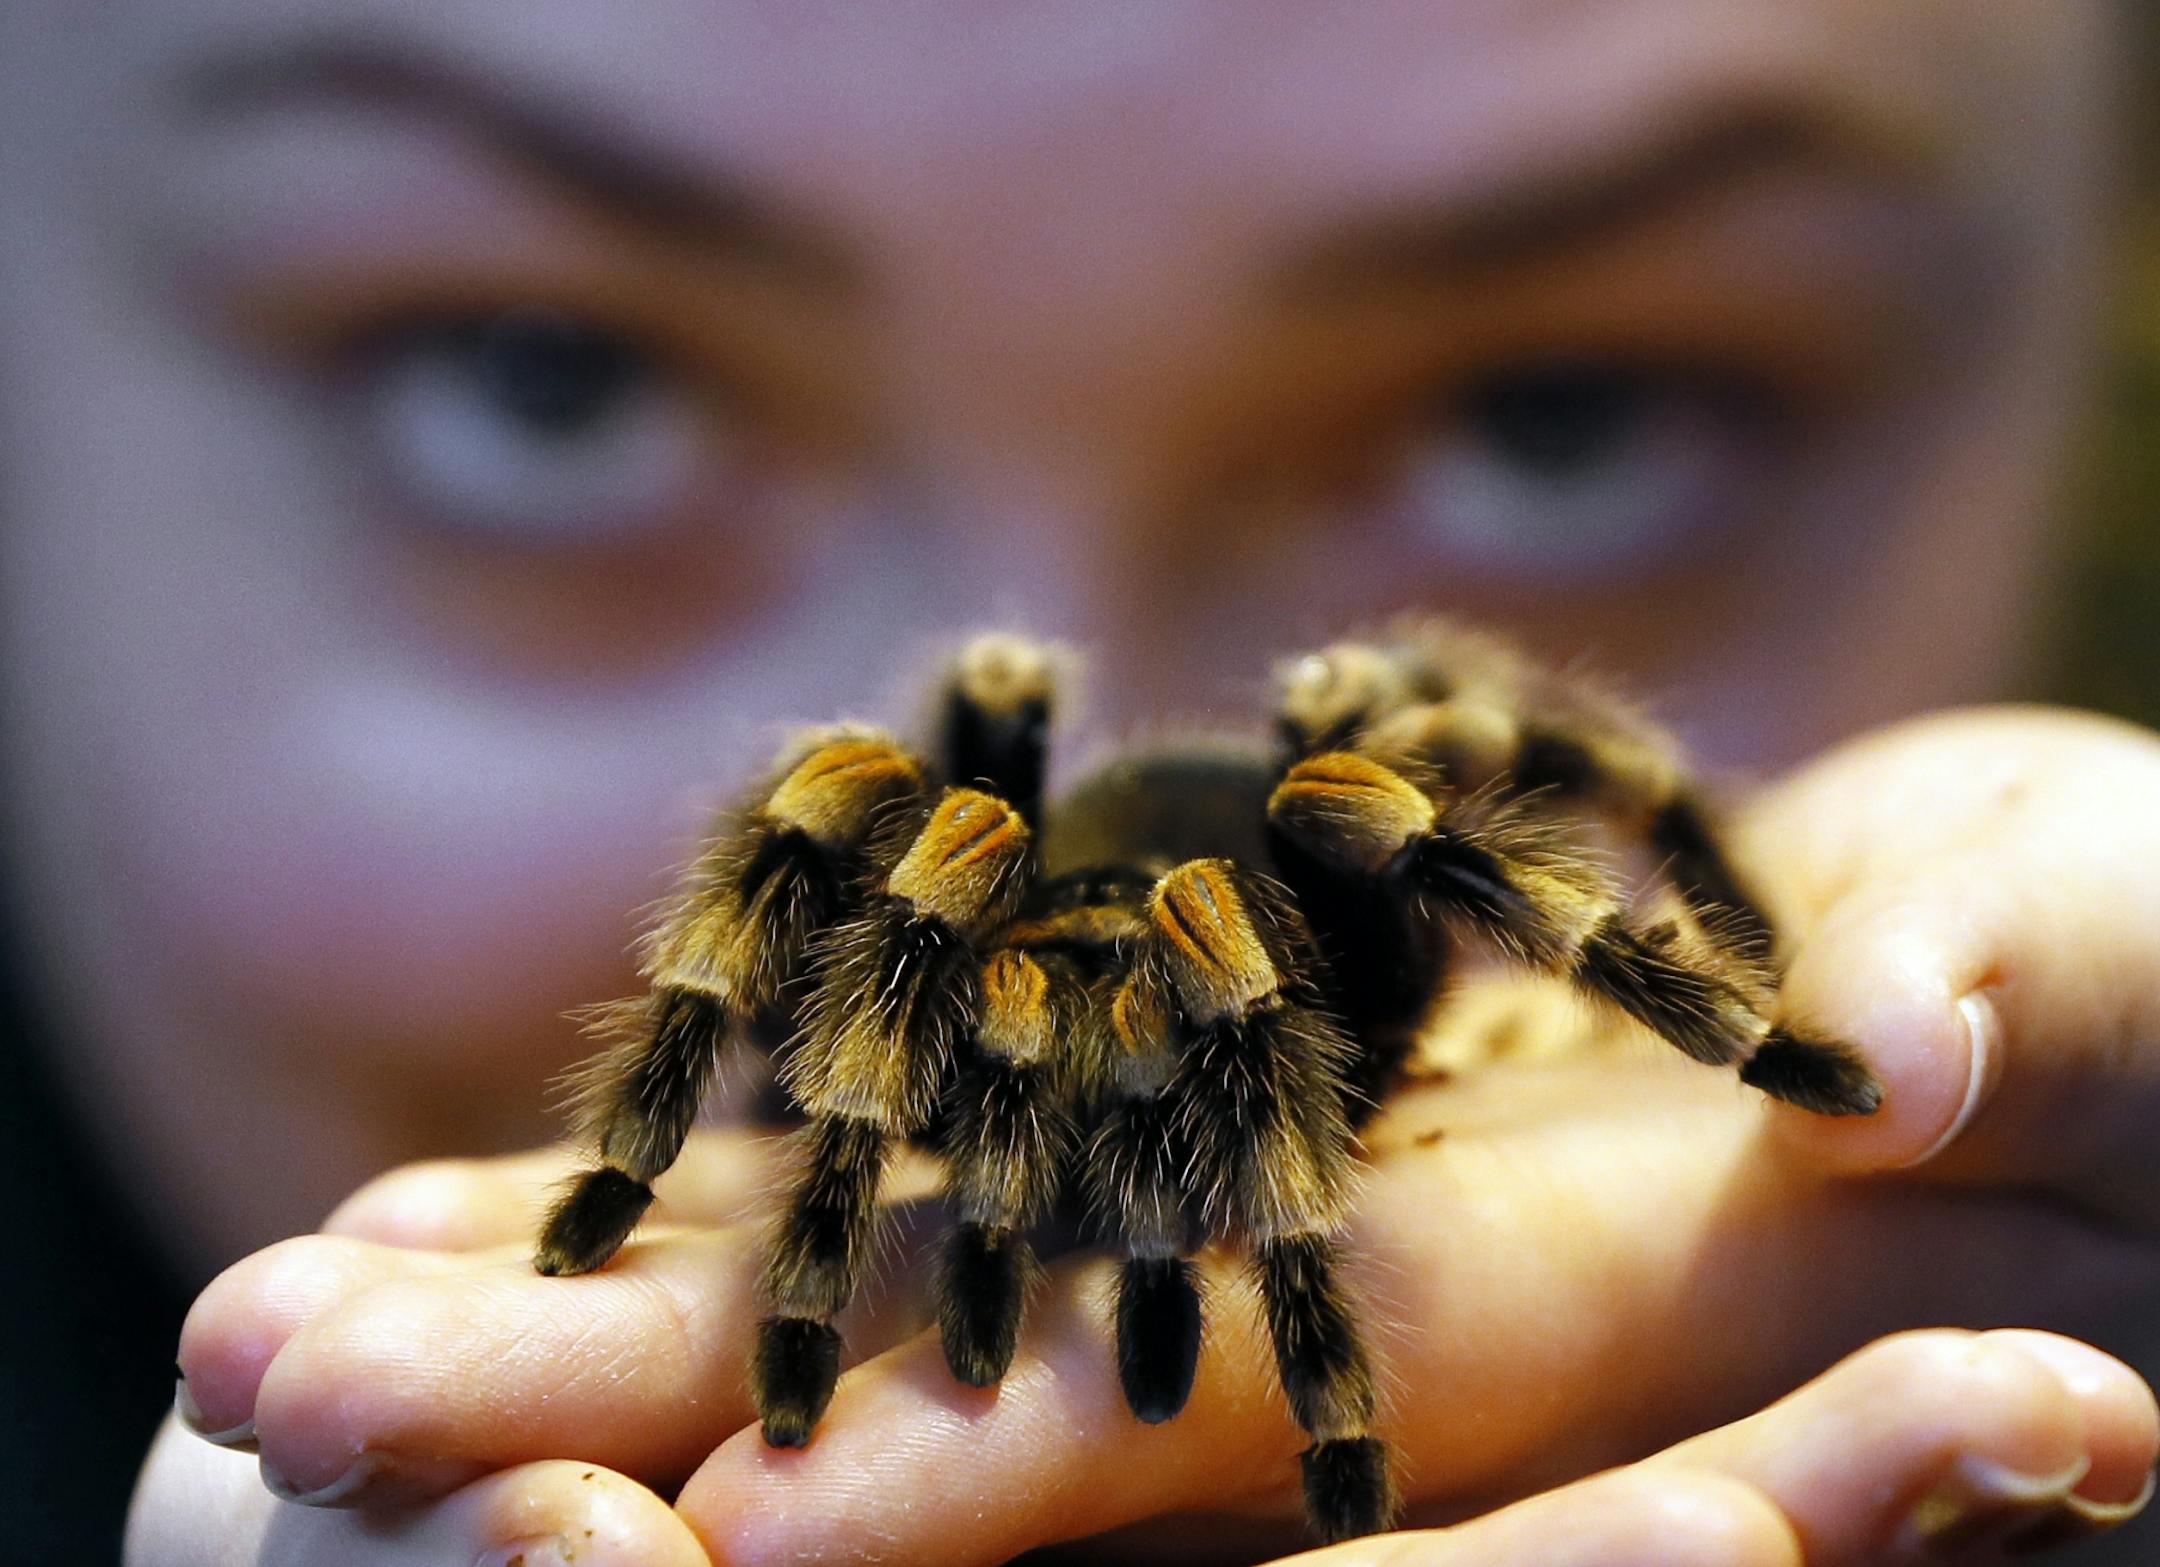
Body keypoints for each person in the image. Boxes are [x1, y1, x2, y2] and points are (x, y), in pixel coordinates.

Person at [0, 0, 2152, 1561]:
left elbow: (1478, 814)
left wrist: (1752, 1016)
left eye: (1560, 414)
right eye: (544, 381)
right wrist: (683, 1195)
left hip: (1255, 911)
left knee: (1371, 765)